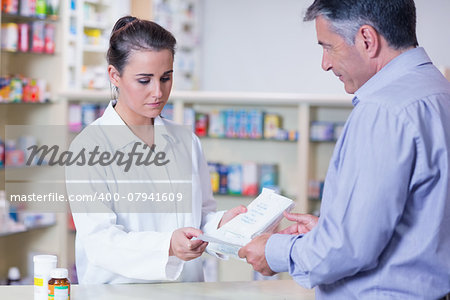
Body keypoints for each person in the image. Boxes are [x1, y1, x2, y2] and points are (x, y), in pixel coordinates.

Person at [238, 0, 450, 298]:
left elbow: (348, 248)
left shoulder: (383, 110)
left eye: (328, 46)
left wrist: (273, 250)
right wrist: (330, 231)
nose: (324, 63)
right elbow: (422, 222)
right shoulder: (437, 91)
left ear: (367, 39)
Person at [66, 16, 245, 284]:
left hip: (186, 290)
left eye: (165, 78)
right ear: (115, 75)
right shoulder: (88, 147)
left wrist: (221, 224)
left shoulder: (185, 140)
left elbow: (201, 216)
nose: (158, 92)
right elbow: (100, 241)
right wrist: (169, 246)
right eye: (144, 80)